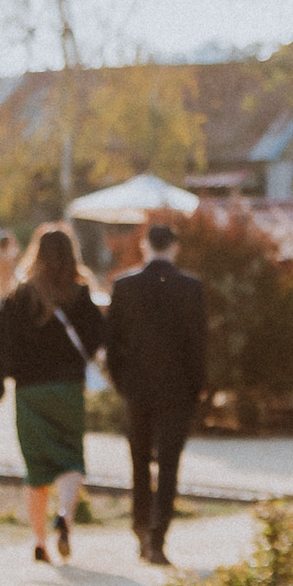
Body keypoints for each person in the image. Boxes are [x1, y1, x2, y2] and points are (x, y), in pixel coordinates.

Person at [0, 222, 104, 564]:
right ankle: (65, 516)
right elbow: (96, 340)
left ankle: (39, 541)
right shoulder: (80, 296)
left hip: (30, 394)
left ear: (37, 254)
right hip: (68, 391)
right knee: (71, 460)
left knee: (37, 470)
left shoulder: (19, 298)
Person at [104, 218, 208, 565]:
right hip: (177, 389)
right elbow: (199, 345)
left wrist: (121, 381)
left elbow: (113, 343)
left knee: (138, 462)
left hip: (137, 388)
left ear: (145, 246)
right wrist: (198, 387)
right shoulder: (192, 288)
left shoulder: (125, 286)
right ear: (175, 247)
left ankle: (139, 527)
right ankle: (158, 536)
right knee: (168, 465)